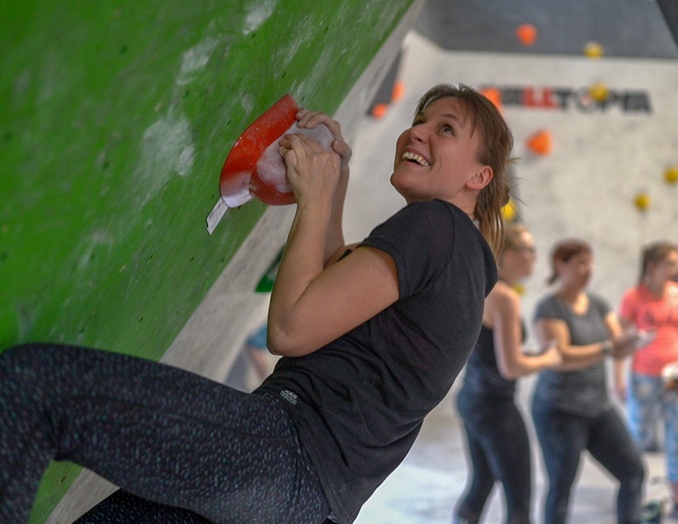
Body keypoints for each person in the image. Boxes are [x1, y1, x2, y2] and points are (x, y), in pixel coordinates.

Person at [0, 83, 512, 524]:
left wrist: (313, 200)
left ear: (479, 177)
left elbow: (292, 327)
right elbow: (331, 288)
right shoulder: (461, 266)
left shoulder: (435, 227)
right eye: (419, 119)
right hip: (302, 502)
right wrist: (334, 181)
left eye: (445, 129)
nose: (417, 131)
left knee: (35, 390)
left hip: (285, 457)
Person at [453, 223, 563, 524]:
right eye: (528, 249)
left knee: (482, 482)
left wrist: (532, 356)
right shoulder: (505, 298)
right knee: (519, 499)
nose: (534, 256)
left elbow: (492, 353)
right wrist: (549, 358)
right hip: (495, 407)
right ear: (507, 254)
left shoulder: (484, 286)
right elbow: (510, 367)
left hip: (472, 399)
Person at [532, 239, 645, 524]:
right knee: (561, 485)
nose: (588, 269)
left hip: (598, 407)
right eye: (580, 263)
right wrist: (609, 348)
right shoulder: (549, 308)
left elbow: (618, 344)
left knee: (633, 472)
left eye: (590, 262)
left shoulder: (598, 304)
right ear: (561, 265)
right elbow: (562, 356)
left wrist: (635, 341)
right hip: (560, 410)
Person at [619, 241, 678, 523]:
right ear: (652, 267)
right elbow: (621, 340)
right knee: (636, 439)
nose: (676, 269)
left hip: (676, 378)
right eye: (670, 263)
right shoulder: (633, 297)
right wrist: (619, 377)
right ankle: (634, 501)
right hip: (644, 376)